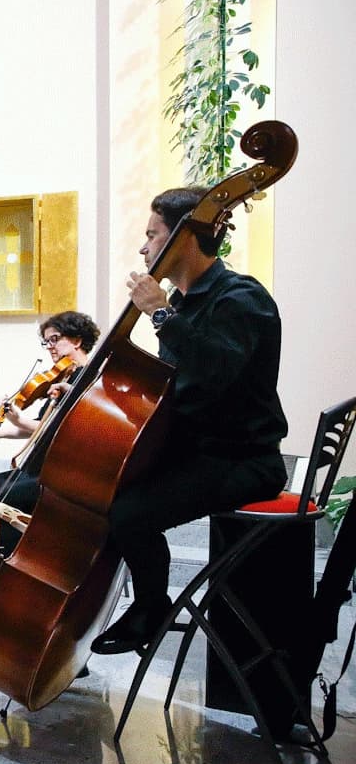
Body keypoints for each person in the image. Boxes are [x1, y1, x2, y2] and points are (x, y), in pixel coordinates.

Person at [90, 187, 288, 655]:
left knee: (129, 513)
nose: (144, 248)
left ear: (184, 237)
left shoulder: (241, 298)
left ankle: (151, 608)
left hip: (242, 459)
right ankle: (84, 613)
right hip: (198, 450)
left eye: (152, 234)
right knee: (100, 491)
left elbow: (216, 372)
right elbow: (179, 388)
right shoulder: (183, 303)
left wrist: (160, 313)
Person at [0, 311, 99, 588]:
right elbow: (39, 427)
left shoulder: (87, 379)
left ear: (77, 340)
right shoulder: (64, 376)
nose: (50, 347)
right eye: (46, 342)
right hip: (43, 465)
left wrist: (17, 419)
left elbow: (53, 426)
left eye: (55, 339)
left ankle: (9, 572)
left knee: (0, 496)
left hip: (62, 472)